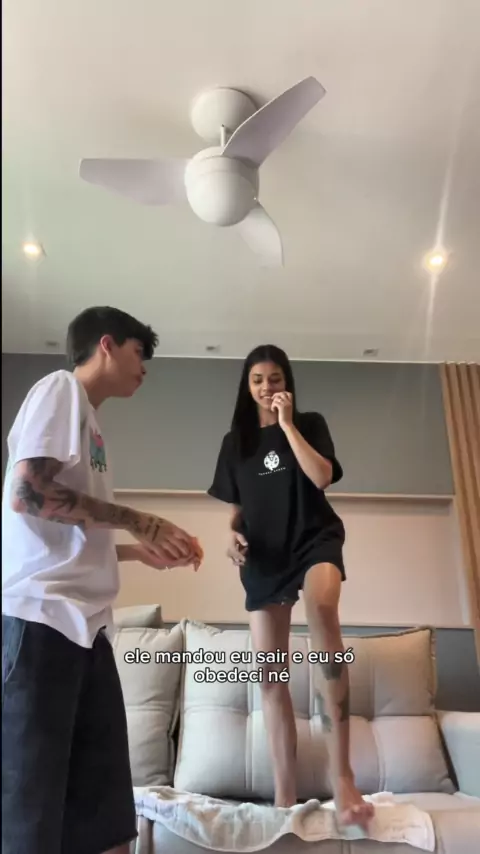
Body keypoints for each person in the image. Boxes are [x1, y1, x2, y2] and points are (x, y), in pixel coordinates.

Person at [2, 306, 203, 854]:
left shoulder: (90, 424)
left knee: (107, 821)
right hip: (41, 624)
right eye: (140, 353)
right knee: (30, 821)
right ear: (107, 345)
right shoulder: (60, 389)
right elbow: (27, 493)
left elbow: (63, 536)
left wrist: (137, 551)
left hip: (87, 632)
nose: (145, 368)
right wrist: (139, 519)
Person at [208, 344, 373, 830]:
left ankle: (342, 778)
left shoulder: (310, 423)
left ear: (287, 383)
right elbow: (236, 510)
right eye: (258, 380)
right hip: (263, 554)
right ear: (247, 386)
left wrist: (286, 426)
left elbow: (321, 477)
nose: (267, 387)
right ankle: (285, 800)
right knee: (269, 675)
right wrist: (230, 536)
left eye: (275, 378)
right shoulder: (234, 443)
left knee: (322, 607)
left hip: (313, 538)